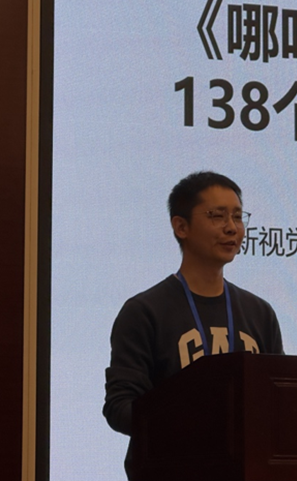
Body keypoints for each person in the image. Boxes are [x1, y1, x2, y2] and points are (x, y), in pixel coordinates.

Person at [103, 171, 284, 477]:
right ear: (181, 226)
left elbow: (279, 403)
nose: (232, 228)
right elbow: (120, 407)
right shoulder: (145, 311)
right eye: (217, 216)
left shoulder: (259, 313)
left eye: (238, 217)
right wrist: (190, 420)